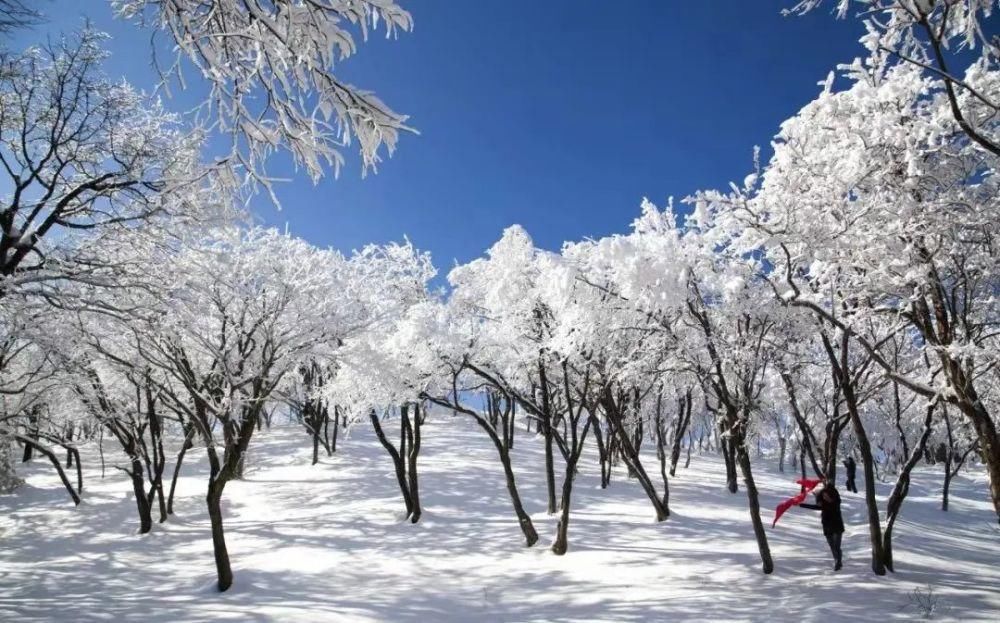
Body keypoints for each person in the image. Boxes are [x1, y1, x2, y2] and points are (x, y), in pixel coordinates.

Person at [800, 481, 845, 570]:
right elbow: (815, 507)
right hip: (827, 526)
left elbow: (834, 499)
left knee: (836, 545)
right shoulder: (823, 504)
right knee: (832, 545)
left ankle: (838, 562)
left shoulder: (836, 503)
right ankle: (837, 559)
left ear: (831, 495)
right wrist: (801, 504)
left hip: (837, 526)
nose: (825, 497)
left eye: (827, 496)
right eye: (824, 496)